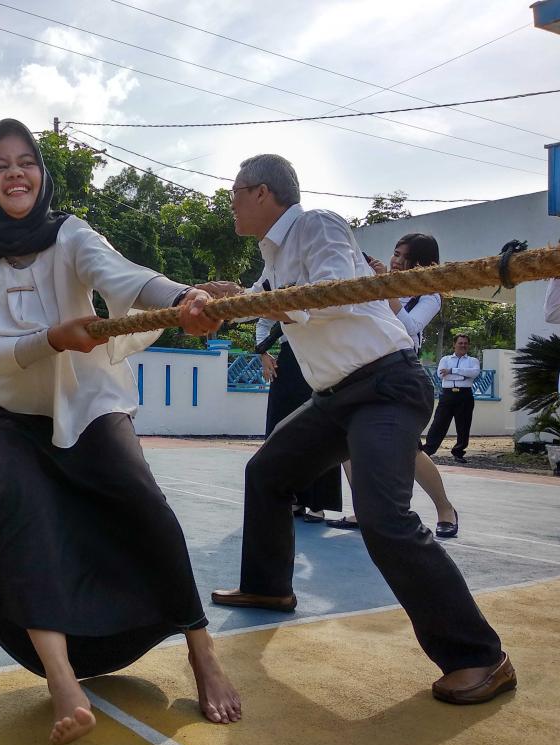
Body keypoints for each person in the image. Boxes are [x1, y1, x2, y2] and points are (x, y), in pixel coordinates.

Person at [0, 118, 241, 745]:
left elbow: (127, 280)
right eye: (1, 165)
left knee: (145, 506)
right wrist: (52, 336)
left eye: (26, 161)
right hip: (9, 419)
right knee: (26, 521)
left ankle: (201, 650)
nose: (16, 174)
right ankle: (63, 683)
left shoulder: (70, 234)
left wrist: (186, 295)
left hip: (89, 404)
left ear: (42, 174)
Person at [210, 154, 514, 706]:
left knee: (383, 518)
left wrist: (261, 302)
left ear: (262, 192)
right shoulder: (274, 253)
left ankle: (481, 657)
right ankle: (268, 587)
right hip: (337, 396)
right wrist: (208, 300)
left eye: (234, 191)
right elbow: (265, 305)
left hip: (385, 384)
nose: (229, 201)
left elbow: (331, 290)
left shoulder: (317, 224)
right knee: (268, 471)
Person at [325, 234, 461, 537]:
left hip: (399, 375)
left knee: (409, 450)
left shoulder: (429, 295)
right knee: (347, 445)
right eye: (395, 254)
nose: (396, 261)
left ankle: (445, 508)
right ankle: (363, 511)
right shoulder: (378, 283)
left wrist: (386, 287)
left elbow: (409, 328)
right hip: (362, 371)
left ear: (423, 264)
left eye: (405, 258)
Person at [255, 314, 342, 524]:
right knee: (281, 427)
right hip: (288, 362)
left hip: (319, 359)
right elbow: (263, 320)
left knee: (319, 431)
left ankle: (317, 503)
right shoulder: (277, 282)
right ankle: (291, 497)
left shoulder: (322, 282)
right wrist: (262, 352)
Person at [423, 334, 480, 463]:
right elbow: (441, 375)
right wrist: (463, 375)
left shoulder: (473, 361)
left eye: (465, 343)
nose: (463, 345)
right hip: (448, 395)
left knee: (463, 425)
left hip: (465, 395)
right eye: (460, 343)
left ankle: (458, 452)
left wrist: (452, 371)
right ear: (454, 344)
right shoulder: (445, 359)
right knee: (438, 423)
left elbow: (474, 373)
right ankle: (428, 450)